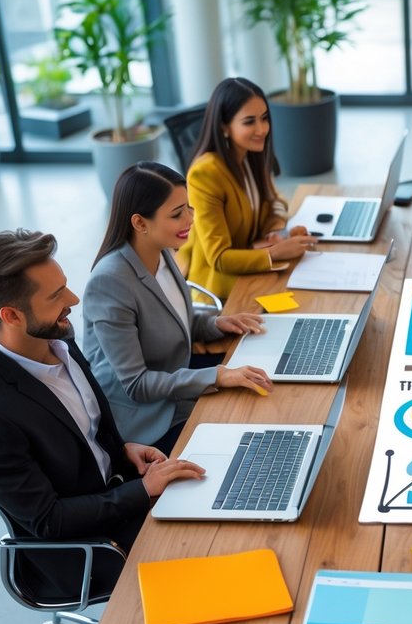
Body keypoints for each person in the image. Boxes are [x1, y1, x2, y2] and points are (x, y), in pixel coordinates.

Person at [0, 230, 205, 597]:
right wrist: (142, 491)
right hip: (89, 550)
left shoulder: (55, 337)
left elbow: (81, 426)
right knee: (213, 552)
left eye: (64, 286)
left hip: (119, 492)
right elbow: (49, 521)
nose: (73, 299)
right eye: (55, 296)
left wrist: (122, 449)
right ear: (12, 315)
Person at [84, 162, 275, 454]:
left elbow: (169, 317)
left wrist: (215, 323)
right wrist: (217, 375)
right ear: (140, 223)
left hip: (175, 378)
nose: (189, 220)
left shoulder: (162, 251)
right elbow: (137, 384)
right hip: (146, 419)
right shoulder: (110, 282)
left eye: (189, 208)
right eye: (177, 214)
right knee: (247, 426)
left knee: (264, 385)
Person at [179, 77, 317, 301]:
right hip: (224, 292)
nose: (261, 129)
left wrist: (277, 233)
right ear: (224, 127)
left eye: (264, 119)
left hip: (255, 271)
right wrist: (274, 253)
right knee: (302, 303)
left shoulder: (251, 156)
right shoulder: (205, 174)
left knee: (312, 294)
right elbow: (219, 258)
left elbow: (276, 203)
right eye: (249, 122)